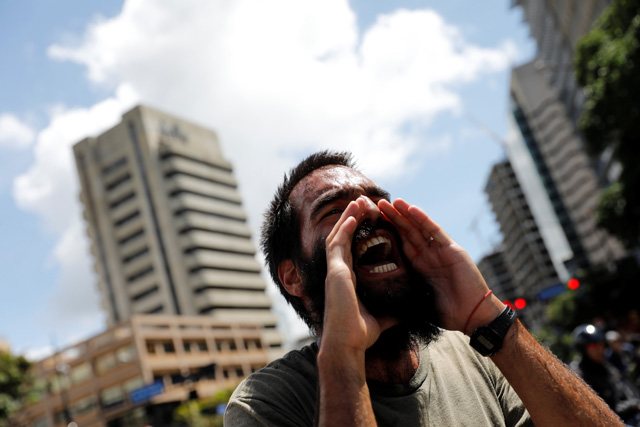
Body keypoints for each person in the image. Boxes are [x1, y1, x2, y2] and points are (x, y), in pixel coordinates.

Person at [225, 151, 622, 426]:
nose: (371, 212)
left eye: (379, 201)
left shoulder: (476, 352)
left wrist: (491, 320)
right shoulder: (265, 403)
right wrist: (344, 352)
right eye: (334, 210)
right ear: (292, 276)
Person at [572, 325, 640, 425]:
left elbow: (624, 392)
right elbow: (604, 411)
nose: (600, 349)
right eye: (593, 346)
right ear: (583, 349)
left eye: (601, 345)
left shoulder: (608, 368)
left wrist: (635, 404)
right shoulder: (580, 376)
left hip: (630, 416)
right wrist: (634, 405)